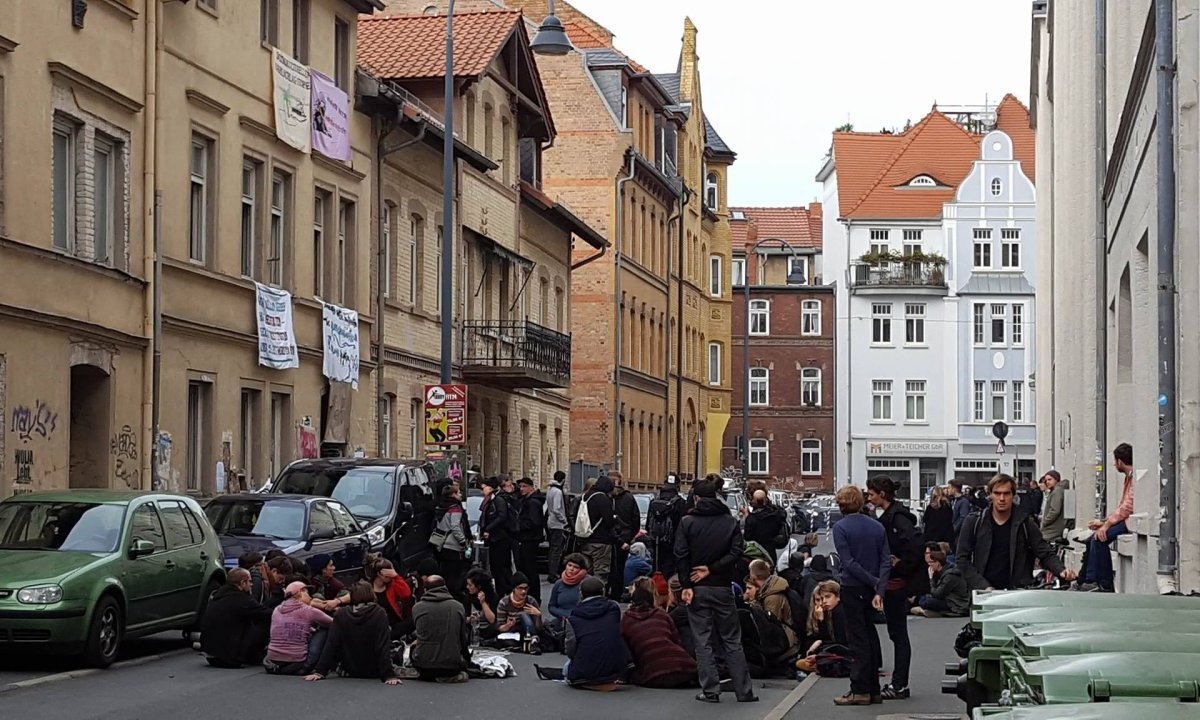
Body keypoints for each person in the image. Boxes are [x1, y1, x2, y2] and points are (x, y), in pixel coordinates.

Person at [675, 474, 757, 704]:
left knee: (702, 640)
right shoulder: (729, 521)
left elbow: (680, 554)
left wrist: (686, 584)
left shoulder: (687, 522)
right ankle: (744, 691)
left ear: (697, 499)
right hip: (722, 586)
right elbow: (736, 552)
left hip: (697, 587)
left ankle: (711, 690)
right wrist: (712, 569)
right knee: (732, 639)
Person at [956, 474, 1075, 591]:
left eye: (1006, 493)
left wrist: (1061, 570)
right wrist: (983, 586)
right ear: (990, 495)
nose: (1002, 498)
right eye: (997, 493)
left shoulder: (1025, 523)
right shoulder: (974, 522)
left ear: (1013, 495)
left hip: (1017, 594)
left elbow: (1044, 552)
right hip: (983, 593)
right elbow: (962, 559)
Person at [830, 485, 888, 707]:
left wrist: (871, 581)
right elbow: (885, 560)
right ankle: (873, 689)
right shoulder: (877, 527)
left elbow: (848, 562)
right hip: (873, 588)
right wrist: (879, 586)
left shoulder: (840, 528)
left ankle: (859, 690)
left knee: (857, 640)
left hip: (853, 587)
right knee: (871, 636)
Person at [865, 476, 918, 701]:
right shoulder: (893, 516)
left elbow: (913, 545)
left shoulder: (896, 519)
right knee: (897, 634)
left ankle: (899, 684)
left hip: (897, 584)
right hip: (895, 581)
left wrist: (901, 564)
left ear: (882, 495)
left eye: (871, 493)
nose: (868, 497)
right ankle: (899, 683)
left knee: (898, 635)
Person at [535, 576, 630, 689]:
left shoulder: (573, 618)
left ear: (581, 594)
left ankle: (585, 678)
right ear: (603, 592)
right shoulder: (614, 609)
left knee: (567, 667)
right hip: (615, 666)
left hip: (586, 667)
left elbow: (570, 650)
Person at [305, 581, 400, 684]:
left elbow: (331, 644)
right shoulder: (379, 613)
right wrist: (389, 675)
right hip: (373, 670)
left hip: (348, 669)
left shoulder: (341, 614)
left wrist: (320, 671)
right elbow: (383, 644)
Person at [620, 578, 697, 688]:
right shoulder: (662, 615)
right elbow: (676, 640)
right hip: (683, 665)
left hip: (653, 673)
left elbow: (626, 650)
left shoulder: (627, 620)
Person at [1079, 443, 1134, 591]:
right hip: (1125, 520)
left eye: (1115, 461)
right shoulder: (1129, 478)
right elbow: (1122, 507)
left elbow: (1127, 507)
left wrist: (1107, 525)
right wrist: (1103, 522)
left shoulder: (1133, 478)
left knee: (1099, 538)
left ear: (1120, 461)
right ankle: (1084, 579)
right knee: (1093, 539)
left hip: (1129, 522)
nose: (1114, 464)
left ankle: (1103, 583)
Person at [200, 568, 272, 668]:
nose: (252, 585)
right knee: (266, 621)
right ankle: (254, 655)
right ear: (242, 583)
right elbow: (268, 614)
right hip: (230, 658)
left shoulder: (217, 596)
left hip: (211, 655)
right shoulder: (241, 600)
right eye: (250, 581)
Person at [264, 581, 336, 675]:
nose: (310, 596)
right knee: (324, 629)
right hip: (299, 664)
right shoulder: (309, 611)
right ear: (299, 593)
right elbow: (334, 623)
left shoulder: (277, 610)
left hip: (273, 661)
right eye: (306, 592)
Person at [410, 575, 470, 683]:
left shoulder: (417, 608)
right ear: (445, 587)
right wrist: (467, 660)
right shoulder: (458, 607)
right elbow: (462, 639)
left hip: (423, 665)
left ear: (425, 589)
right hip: (451, 666)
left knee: (415, 644)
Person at [745, 558, 799, 650]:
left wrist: (753, 602)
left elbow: (770, 625)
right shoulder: (769, 589)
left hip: (787, 640)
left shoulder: (772, 597)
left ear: (754, 576)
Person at [431, 483, 472, 602]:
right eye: (459, 492)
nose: (460, 495)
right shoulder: (455, 508)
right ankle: (454, 598)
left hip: (442, 545)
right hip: (453, 546)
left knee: (445, 573)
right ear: (453, 494)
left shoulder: (441, 507)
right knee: (455, 576)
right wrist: (463, 541)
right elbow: (455, 527)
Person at [577, 476, 617, 585]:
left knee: (586, 570)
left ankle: (584, 593)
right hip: (601, 541)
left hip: (585, 538)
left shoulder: (585, 496)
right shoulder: (603, 499)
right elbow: (609, 521)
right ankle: (597, 594)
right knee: (601, 572)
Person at [479, 476, 515, 595]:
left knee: (500, 568)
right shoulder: (491, 500)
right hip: (495, 539)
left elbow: (501, 517)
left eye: (483, 488)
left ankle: (504, 592)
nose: (482, 491)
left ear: (490, 488)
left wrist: (488, 529)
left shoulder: (498, 500)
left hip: (500, 539)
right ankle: (503, 591)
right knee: (497, 568)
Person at [608, 471, 641, 601]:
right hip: (625, 537)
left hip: (610, 538)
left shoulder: (607, 497)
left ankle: (608, 591)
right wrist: (630, 537)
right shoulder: (629, 497)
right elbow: (636, 519)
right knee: (620, 567)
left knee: (609, 566)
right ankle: (617, 593)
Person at [647, 478, 686, 578]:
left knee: (657, 568)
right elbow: (683, 525)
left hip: (656, 542)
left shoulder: (654, 501)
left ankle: (656, 590)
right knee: (669, 570)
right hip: (672, 542)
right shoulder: (680, 502)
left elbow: (648, 524)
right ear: (677, 486)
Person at [515, 478, 546, 604]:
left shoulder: (532, 502)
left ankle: (534, 596)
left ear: (531, 487)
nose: (522, 489)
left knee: (530, 569)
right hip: (529, 538)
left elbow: (533, 522)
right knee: (528, 568)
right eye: (520, 486)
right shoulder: (528, 500)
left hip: (529, 538)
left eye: (524, 486)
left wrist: (518, 525)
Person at [367, 557, 414, 639]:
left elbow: (406, 594)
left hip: (395, 624)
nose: (391, 575)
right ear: (379, 574)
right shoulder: (367, 588)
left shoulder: (392, 584)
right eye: (389, 573)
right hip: (378, 626)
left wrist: (397, 577)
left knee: (412, 622)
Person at [912, 550, 968, 618]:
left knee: (927, 601)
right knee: (924, 597)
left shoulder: (950, 575)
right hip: (949, 599)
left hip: (956, 604)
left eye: (930, 562)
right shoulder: (941, 572)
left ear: (937, 563)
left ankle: (923, 609)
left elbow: (937, 594)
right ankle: (925, 609)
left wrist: (931, 578)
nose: (929, 565)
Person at [742, 489, 789, 565]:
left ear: (754, 501)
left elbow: (747, 537)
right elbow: (782, 515)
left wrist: (747, 517)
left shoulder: (752, 519)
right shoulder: (775, 515)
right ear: (766, 500)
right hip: (771, 552)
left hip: (756, 553)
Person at [495, 572, 542, 646]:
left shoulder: (531, 601)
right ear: (514, 589)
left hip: (530, 630)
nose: (523, 591)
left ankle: (533, 640)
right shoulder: (504, 603)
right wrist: (508, 625)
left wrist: (538, 615)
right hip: (513, 632)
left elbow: (539, 629)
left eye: (526, 588)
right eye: (520, 588)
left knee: (523, 614)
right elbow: (500, 628)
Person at [545, 471, 569, 583]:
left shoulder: (550, 490)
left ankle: (552, 571)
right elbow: (556, 508)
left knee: (552, 549)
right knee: (556, 550)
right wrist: (564, 520)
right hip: (557, 524)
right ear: (563, 480)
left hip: (550, 522)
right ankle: (553, 574)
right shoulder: (558, 492)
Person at [465, 569, 500, 642]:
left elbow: (492, 620)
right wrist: (470, 619)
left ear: (479, 586)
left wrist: (483, 603)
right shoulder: (467, 597)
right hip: (472, 630)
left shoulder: (493, 597)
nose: (467, 587)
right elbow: (463, 619)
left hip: (488, 631)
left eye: (470, 585)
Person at [1039, 470, 1068, 542]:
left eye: (1050, 479)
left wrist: (1044, 522)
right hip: (1055, 527)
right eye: (1046, 480)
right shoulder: (1057, 490)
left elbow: (1054, 511)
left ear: (1056, 479)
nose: (1047, 482)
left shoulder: (1057, 491)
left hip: (1052, 528)